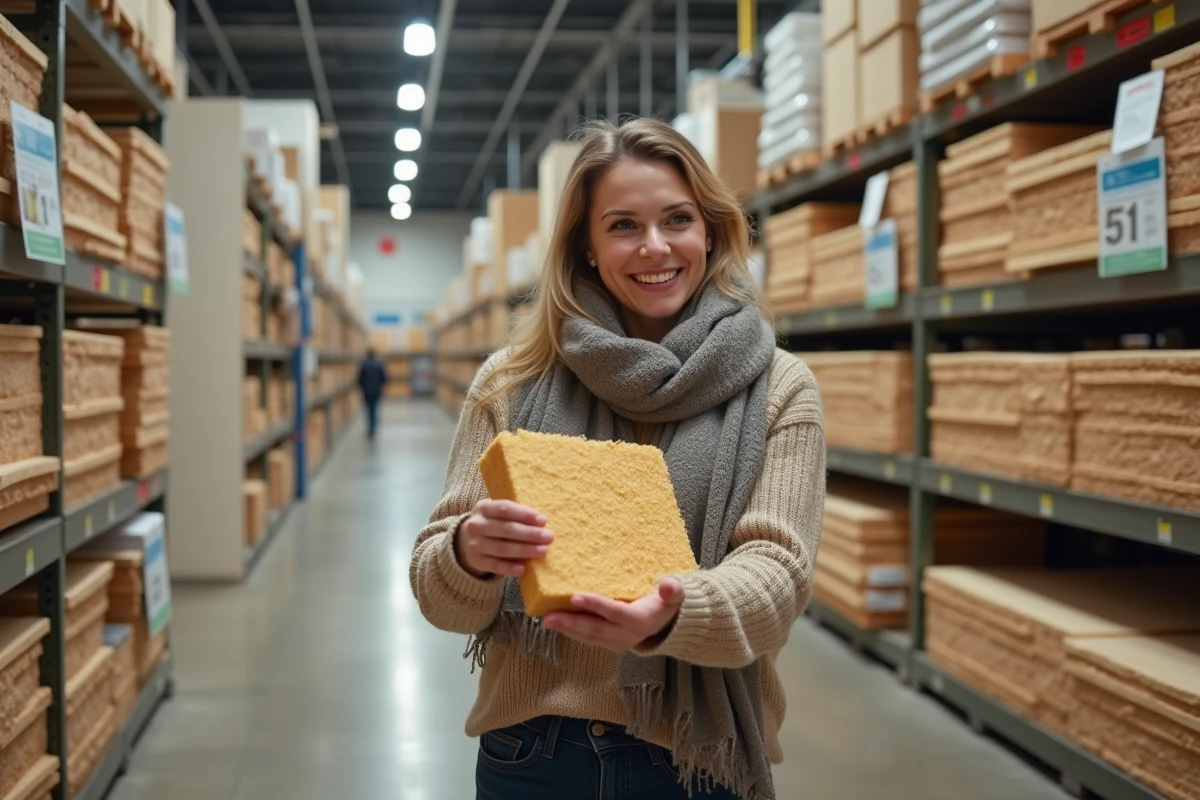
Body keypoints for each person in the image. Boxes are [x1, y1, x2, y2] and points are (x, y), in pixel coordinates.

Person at [409, 118, 825, 800]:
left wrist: (670, 614)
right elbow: (439, 598)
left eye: (677, 220)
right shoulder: (509, 383)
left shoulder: (779, 388)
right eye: (624, 225)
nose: (654, 246)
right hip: (534, 755)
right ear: (589, 248)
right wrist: (466, 552)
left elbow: (777, 578)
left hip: (693, 757)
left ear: (712, 231)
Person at [357, 347, 388, 440]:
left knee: (369, 409)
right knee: (375, 408)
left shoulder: (364, 365)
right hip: (376, 391)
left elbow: (359, 379)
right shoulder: (379, 364)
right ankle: (374, 427)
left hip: (366, 391)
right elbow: (384, 378)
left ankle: (370, 427)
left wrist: (362, 387)